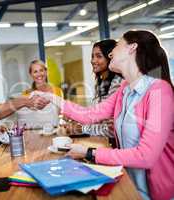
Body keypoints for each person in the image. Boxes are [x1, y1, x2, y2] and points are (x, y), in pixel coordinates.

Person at [44, 30, 174, 200]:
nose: (111, 52)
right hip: (130, 187)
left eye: (118, 45)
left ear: (132, 48)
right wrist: (51, 98)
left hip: (158, 193)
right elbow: (89, 114)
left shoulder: (159, 91)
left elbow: (146, 156)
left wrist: (89, 153)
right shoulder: (125, 89)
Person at [64, 39, 122, 141]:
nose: (93, 60)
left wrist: (81, 128)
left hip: (113, 145)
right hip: (103, 141)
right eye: (92, 56)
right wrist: (79, 121)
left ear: (110, 58)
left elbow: (111, 130)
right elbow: (99, 118)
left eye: (99, 56)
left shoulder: (117, 83)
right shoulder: (102, 82)